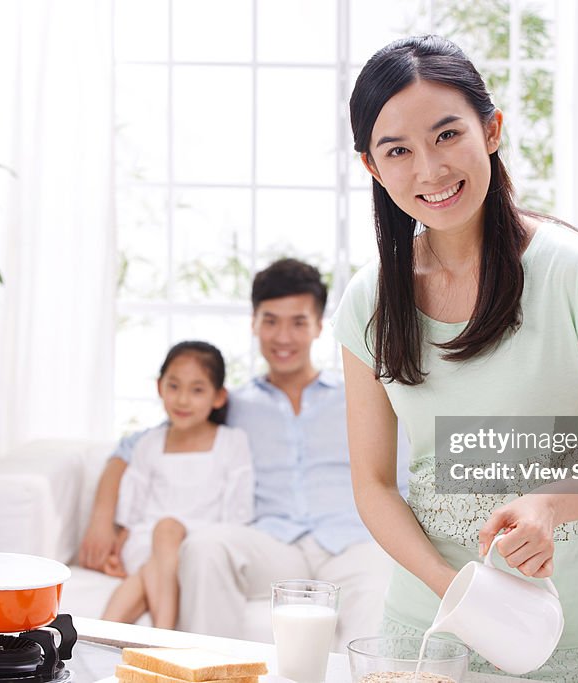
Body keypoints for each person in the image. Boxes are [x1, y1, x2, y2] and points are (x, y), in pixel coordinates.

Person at [331, 36, 578, 682]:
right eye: (398, 150)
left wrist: (550, 503)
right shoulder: (368, 301)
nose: (429, 169)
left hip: (564, 625)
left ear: (491, 129)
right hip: (427, 623)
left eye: (447, 134)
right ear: (372, 166)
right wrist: (458, 592)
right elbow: (372, 482)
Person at [79, 258, 408, 648]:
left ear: (319, 327)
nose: (283, 336)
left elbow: (415, 449)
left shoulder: (355, 396)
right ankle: (202, 671)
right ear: (253, 323)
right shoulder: (232, 404)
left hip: (352, 541)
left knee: (381, 578)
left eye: (298, 322)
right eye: (270, 321)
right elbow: (130, 447)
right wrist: (102, 522)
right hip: (273, 545)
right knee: (205, 547)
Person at [99, 341, 253, 629]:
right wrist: (117, 548)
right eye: (174, 386)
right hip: (147, 542)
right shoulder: (148, 443)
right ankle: (165, 637)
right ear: (159, 387)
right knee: (165, 531)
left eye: (197, 390)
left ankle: (99, 644)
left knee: (153, 560)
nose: (182, 400)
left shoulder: (232, 442)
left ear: (218, 397)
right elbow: (132, 514)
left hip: (199, 546)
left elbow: (237, 515)